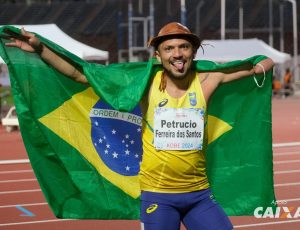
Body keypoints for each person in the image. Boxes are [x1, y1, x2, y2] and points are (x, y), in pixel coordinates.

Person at [5, 22, 274, 230]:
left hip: (199, 195)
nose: (177, 54)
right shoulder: (144, 82)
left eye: (184, 47)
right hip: (159, 198)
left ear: (194, 50)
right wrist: (40, 48)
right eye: (169, 49)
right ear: (157, 55)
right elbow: (80, 73)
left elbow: (263, 64)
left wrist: (260, 62)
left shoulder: (209, 80)